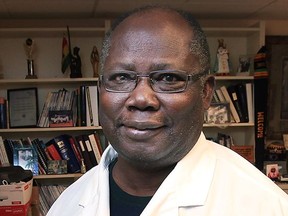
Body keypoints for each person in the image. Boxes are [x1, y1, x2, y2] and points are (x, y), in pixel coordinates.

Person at [47, 6, 288, 216]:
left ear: (206, 92)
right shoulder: (66, 205)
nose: (141, 98)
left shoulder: (265, 206)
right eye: (121, 77)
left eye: (168, 78)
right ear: (100, 90)